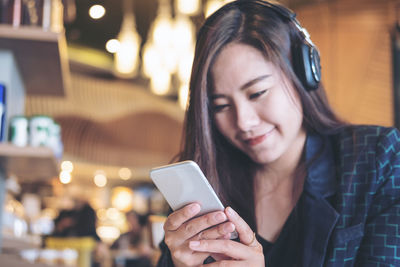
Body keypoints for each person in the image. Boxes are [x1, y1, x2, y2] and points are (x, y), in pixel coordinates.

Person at [155, 0, 400, 266]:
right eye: (221, 106)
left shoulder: (379, 159)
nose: (244, 121)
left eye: (257, 93)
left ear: (304, 74)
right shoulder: (204, 182)